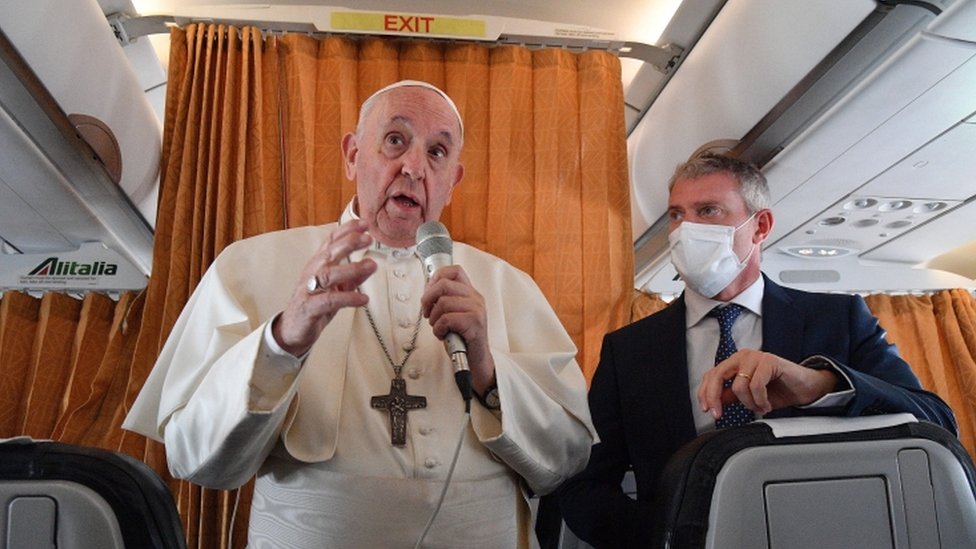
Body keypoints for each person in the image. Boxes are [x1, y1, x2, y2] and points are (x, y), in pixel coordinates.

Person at [124, 80, 597, 548]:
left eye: (436, 152)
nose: (413, 166)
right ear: (352, 155)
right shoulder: (247, 265)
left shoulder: (506, 284)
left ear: (452, 181)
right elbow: (194, 458)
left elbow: (565, 462)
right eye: (395, 140)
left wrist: (489, 374)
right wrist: (281, 343)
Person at [556, 152, 957, 548]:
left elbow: (935, 421)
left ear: (760, 226)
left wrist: (823, 385)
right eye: (677, 215)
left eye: (708, 211)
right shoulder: (630, 350)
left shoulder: (837, 319)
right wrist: (672, 535)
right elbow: (584, 486)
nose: (685, 230)